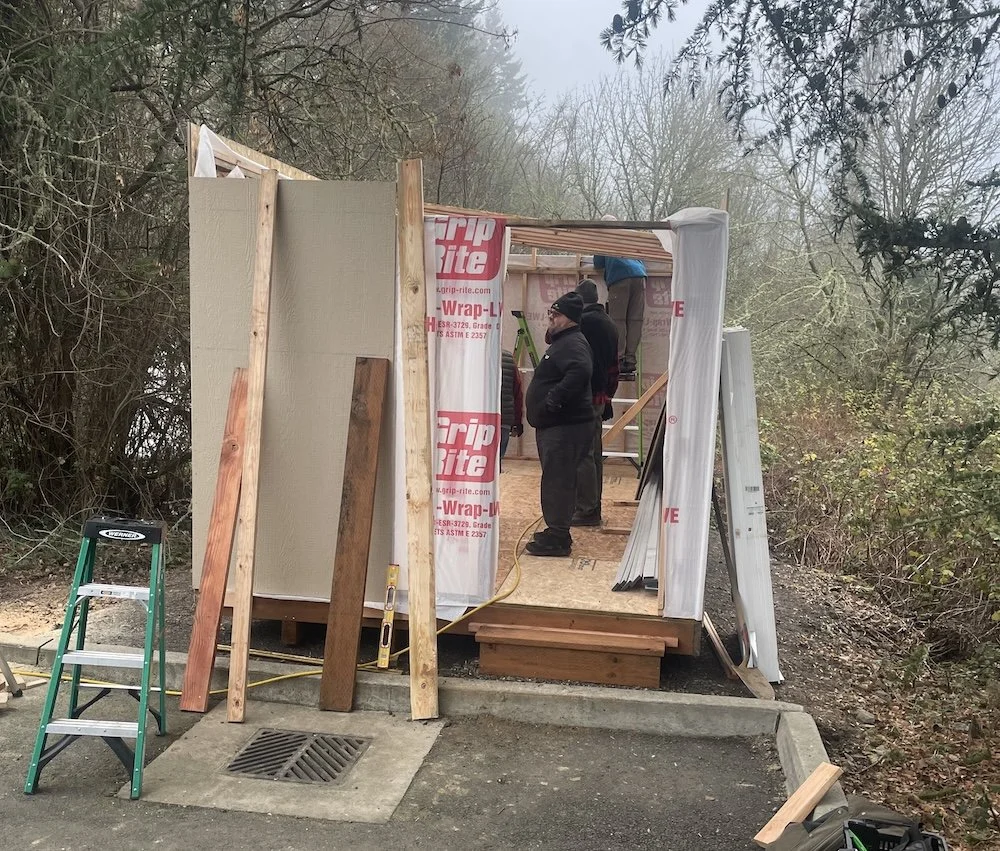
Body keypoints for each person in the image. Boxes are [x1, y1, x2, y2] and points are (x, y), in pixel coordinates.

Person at [524, 292, 594, 557]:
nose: (551, 318)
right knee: (557, 478)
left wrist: (553, 400)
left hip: (565, 427)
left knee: (558, 480)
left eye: (557, 315)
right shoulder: (564, 341)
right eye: (550, 314)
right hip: (560, 426)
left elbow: (581, 370)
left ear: (571, 319)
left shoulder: (573, 343)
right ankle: (557, 530)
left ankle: (557, 536)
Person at [571, 279, 619, 527]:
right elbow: (614, 367)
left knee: (583, 454)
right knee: (594, 453)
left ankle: (587, 510)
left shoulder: (584, 323)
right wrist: (608, 396)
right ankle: (592, 506)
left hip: (586, 396)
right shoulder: (609, 323)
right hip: (600, 395)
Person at [593, 214, 647, 379]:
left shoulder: (605, 237)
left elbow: (597, 264)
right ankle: (630, 360)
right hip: (640, 276)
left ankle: (620, 358)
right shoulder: (628, 235)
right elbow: (641, 256)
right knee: (635, 319)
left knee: (618, 320)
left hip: (620, 277)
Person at [499, 349, 523, 466]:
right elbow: (517, 394)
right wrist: (517, 422)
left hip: (477, 420)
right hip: (504, 419)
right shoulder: (509, 359)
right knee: (497, 462)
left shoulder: (469, 357)